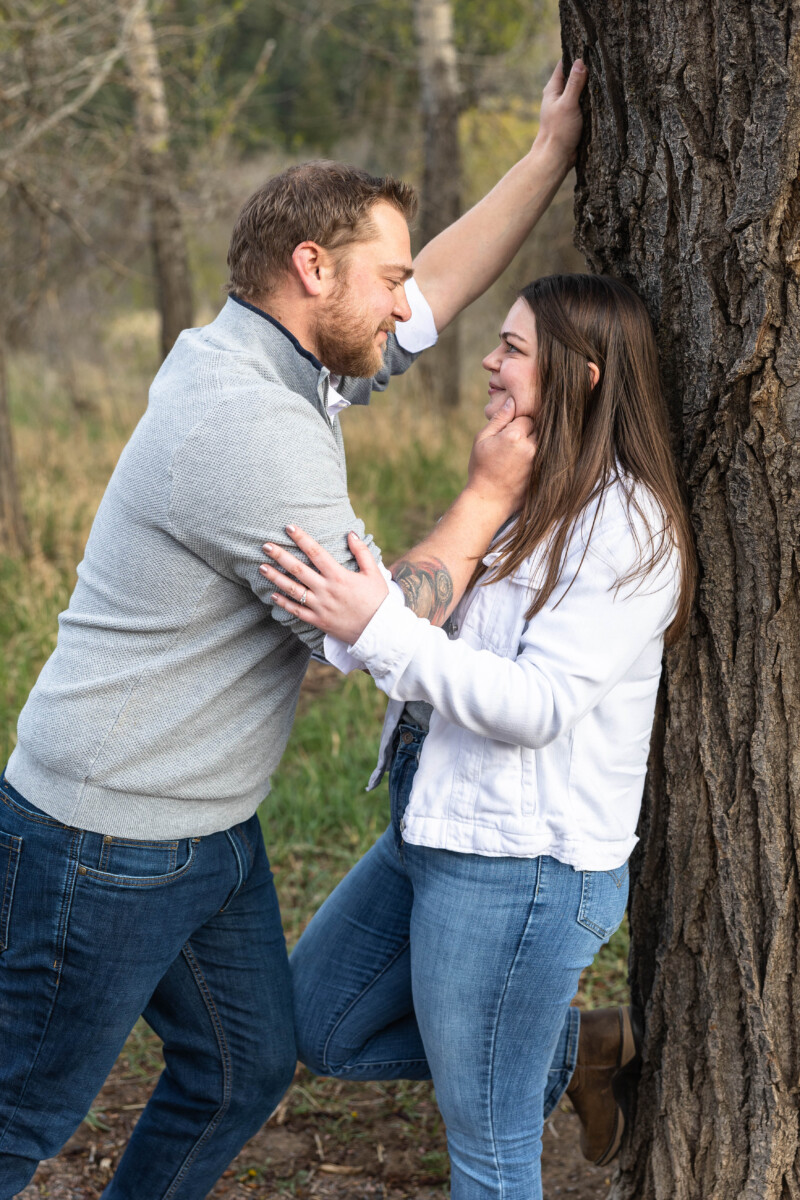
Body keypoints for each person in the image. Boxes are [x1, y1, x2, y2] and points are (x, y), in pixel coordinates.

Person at [0, 64, 589, 1200]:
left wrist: (543, 158)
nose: (403, 306)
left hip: (206, 826)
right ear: (310, 268)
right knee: (21, 1110)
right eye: (385, 279)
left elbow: (428, 305)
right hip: (108, 838)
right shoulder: (249, 424)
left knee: (240, 1068)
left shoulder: (278, 356)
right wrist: (482, 498)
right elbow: (366, 632)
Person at [259, 272, 697, 1200]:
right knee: (320, 1019)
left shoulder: (625, 526)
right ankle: (577, 1049)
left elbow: (537, 705)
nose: (490, 362)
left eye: (512, 349)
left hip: (519, 866)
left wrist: (379, 624)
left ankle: (535, 1050)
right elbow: (441, 609)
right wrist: (421, 561)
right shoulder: (523, 486)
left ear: (580, 376)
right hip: (434, 825)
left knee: (489, 1150)